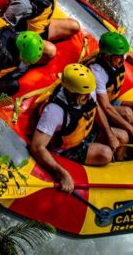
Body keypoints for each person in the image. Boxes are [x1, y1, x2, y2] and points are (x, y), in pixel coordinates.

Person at [30, 64, 127, 193]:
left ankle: (119, 169)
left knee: (123, 136)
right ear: (71, 92)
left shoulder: (86, 91)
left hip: (84, 131)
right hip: (68, 148)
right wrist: (61, 173)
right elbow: (37, 147)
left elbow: (95, 107)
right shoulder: (54, 112)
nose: (88, 97)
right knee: (105, 153)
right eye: (83, 95)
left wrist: (109, 133)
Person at [1, 0, 80, 63]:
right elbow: (4, 27)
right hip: (25, 36)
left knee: (74, 26)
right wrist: (26, 44)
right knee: (51, 51)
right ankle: (24, 62)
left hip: (40, 28)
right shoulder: (23, 4)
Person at [86, 31, 133, 146]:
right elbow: (106, 108)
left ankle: (130, 136)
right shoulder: (97, 72)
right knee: (127, 114)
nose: (122, 60)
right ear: (107, 56)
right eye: (119, 57)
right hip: (98, 109)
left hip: (111, 101)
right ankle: (127, 143)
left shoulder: (115, 56)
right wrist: (130, 129)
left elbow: (129, 54)